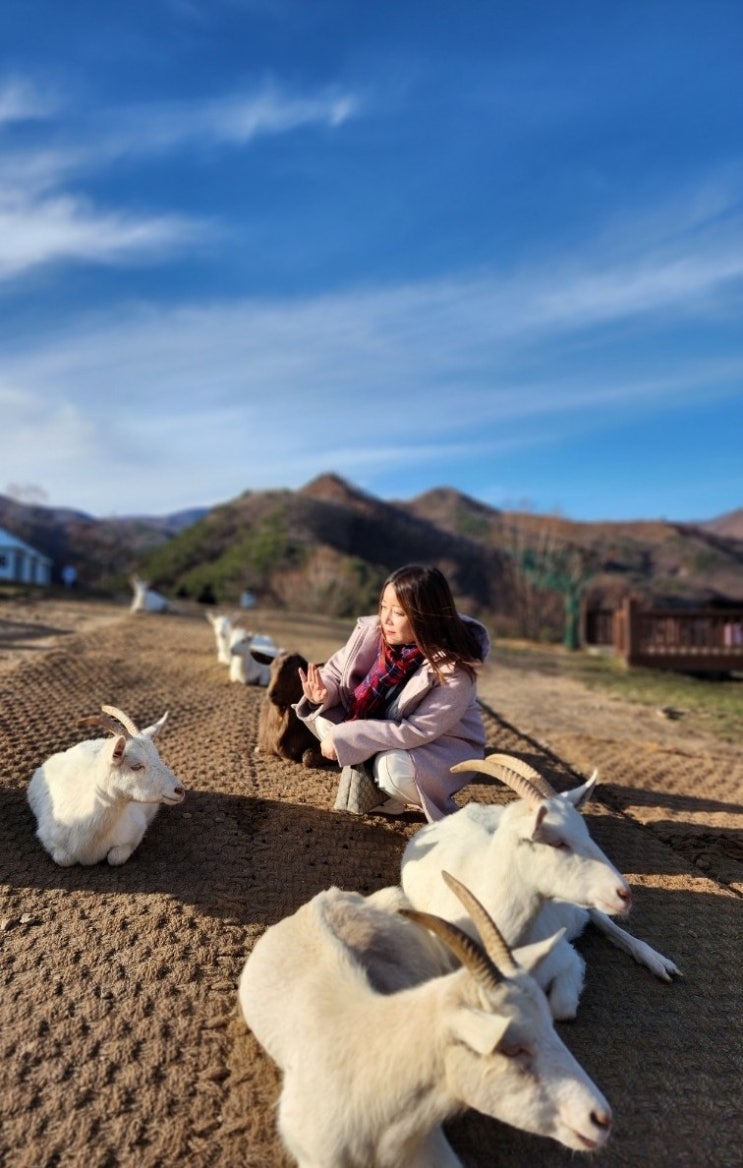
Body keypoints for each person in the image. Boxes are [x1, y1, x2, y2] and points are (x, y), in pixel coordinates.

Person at [295, 563, 490, 820]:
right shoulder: (372, 633)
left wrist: (348, 736)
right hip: (385, 730)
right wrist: (324, 693)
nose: (385, 619)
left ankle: (400, 793)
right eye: (383, 607)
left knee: (391, 769)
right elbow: (335, 672)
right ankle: (381, 793)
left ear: (426, 616)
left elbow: (416, 731)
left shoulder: (455, 670)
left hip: (435, 749)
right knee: (325, 716)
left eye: (398, 612)